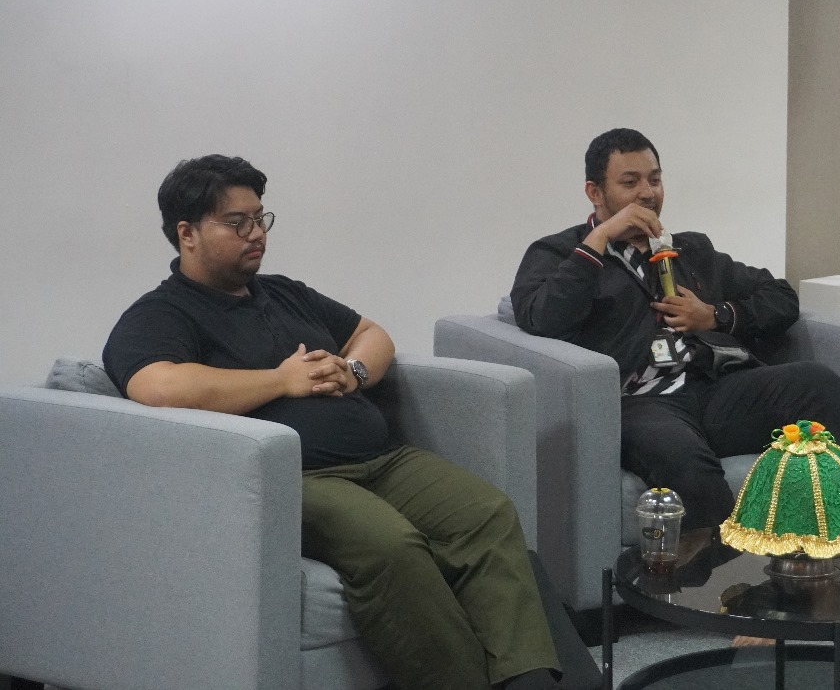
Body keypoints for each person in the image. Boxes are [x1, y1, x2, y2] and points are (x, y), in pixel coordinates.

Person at [103, 155, 561, 690]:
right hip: (294, 478)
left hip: (382, 460)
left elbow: (372, 333)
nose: (257, 234)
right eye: (237, 223)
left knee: (485, 512)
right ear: (187, 233)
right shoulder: (161, 314)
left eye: (260, 218)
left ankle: (530, 682)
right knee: (391, 546)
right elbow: (156, 385)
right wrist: (280, 381)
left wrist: (355, 371)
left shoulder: (285, 292)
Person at [510, 128, 840, 534]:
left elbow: (780, 296)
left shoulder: (689, 250)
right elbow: (540, 318)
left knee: (819, 385)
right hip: (640, 404)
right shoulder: (560, 253)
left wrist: (716, 316)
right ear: (594, 192)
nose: (647, 193)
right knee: (689, 468)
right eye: (630, 182)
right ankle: (726, 572)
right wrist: (598, 239)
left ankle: (835, 542)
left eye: (655, 180)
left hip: (713, 388)